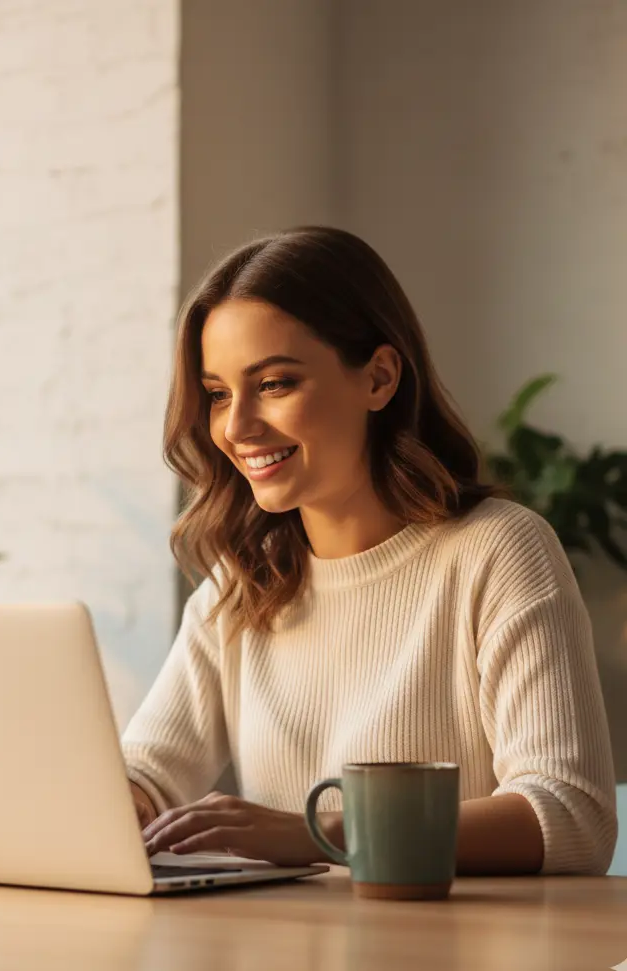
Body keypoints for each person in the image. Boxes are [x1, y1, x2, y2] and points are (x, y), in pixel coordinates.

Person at [121, 226, 618, 876]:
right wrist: (108, 805)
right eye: (218, 394)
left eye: (273, 383)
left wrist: (318, 833)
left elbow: (569, 814)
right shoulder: (241, 583)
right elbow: (148, 773)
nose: (236, 427)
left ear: (379, 377)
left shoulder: (499, 550)